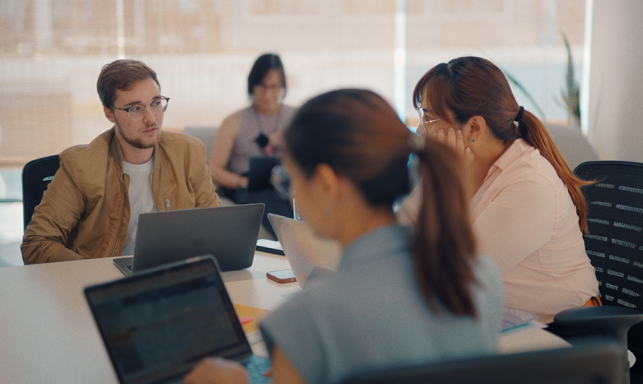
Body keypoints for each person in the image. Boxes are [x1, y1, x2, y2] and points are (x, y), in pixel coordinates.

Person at [185, 89, 503, 384]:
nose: (291, 192)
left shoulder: (308, 319)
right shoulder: (482, 277)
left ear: (325, 182)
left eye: (290, 178)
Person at [398, 56, 599, 324]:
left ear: (474, 128)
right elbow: (396, 235)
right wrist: (439, 177)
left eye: (428, 117)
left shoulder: (531, 184)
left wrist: (441, 181)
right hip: (503, 324)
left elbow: (455, 279)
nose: (420, 130)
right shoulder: (467, 170)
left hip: (563, 337)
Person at [21, 59, 219, 264]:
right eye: (135, 108)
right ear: (110, 114)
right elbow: (37, 244)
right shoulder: (80, 166)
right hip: (107, 282)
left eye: (156, 103)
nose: (151, 118)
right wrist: (98, 277)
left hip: (175, 277)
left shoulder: (189, 152)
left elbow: (216, 226)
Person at [209, 53, 296, 236]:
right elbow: (214, 169)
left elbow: (312, 158)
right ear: (252, 85)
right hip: (248, 187)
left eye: (275, 87)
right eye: (261, 86)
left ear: (283, 86)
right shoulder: (234, 121)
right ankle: (297, 246)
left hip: (287, 183)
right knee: (266, 198)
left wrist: (287, 143)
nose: (267, 94)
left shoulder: (296, 117)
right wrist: (242, 182)